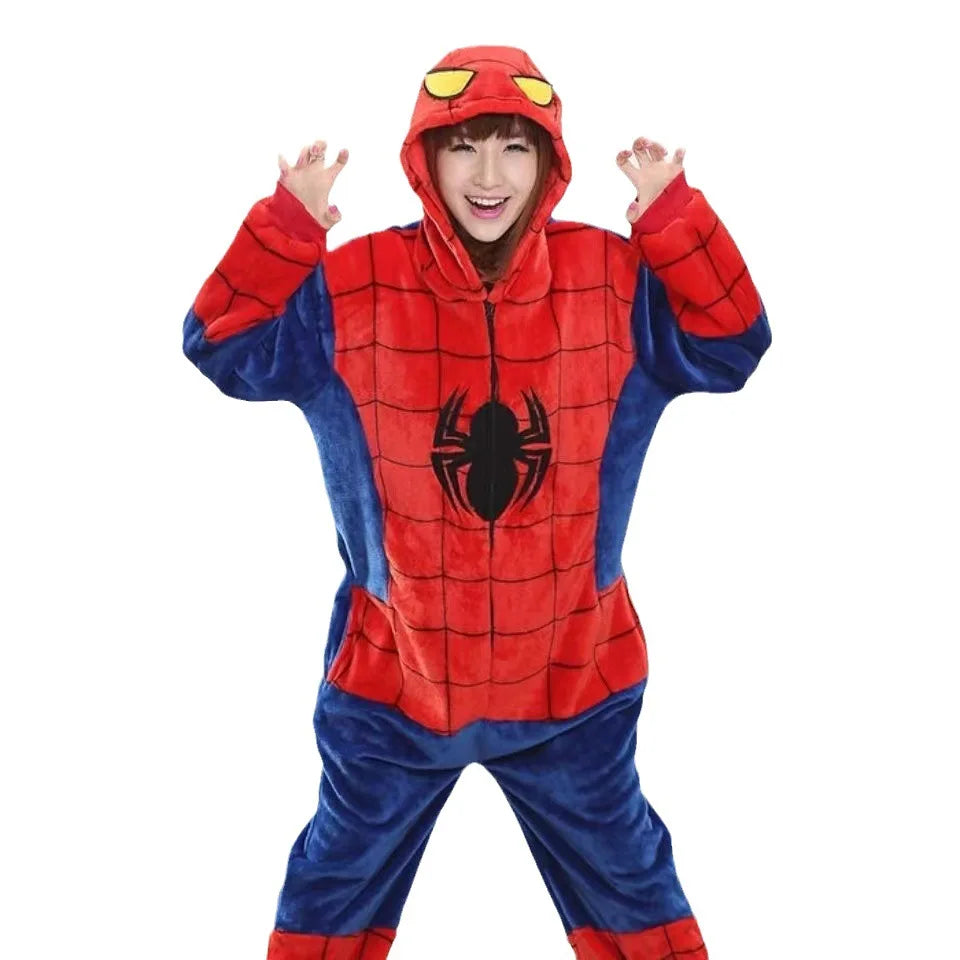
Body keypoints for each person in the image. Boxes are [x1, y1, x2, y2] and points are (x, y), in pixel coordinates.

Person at [183, 43, 770, 960]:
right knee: (332, 889)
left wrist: (674, 222)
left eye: (515, 148)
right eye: (464, 147)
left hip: (573, 682)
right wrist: (287, 230)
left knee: (633, 887)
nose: (489, 177)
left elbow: (733, 341)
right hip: (396, 686)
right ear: (425, 157)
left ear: (550, 161)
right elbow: (222, 343)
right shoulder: (355, 287)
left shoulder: (612, 281)